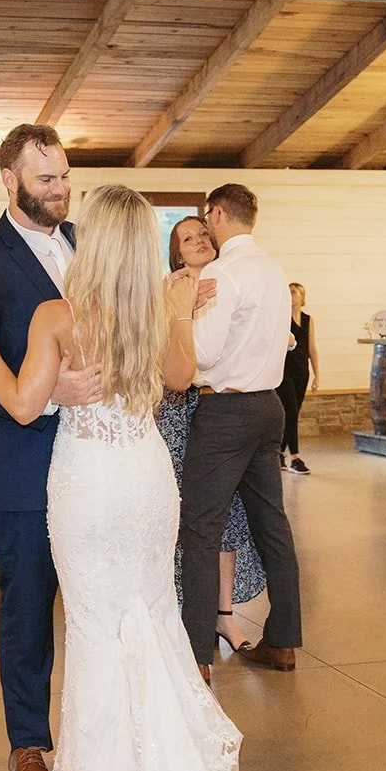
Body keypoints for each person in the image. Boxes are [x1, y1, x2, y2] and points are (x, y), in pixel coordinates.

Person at [0, 183, 270, 771]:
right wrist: (179, 306)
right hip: (148, 480)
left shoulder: (57, 315)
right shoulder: (156, 309)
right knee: (150, 611)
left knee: (95, 622)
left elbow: (24, 405)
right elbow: (182, 375)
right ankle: (172, 761)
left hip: (90, 483)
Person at [0, 123, 103, 771]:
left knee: (98, 600)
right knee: (30, 608)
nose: (60, 189)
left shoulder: (84, 248)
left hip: (96, 456)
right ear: (8, 179)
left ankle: (100, 733)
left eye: (65, 176)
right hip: (19, 462)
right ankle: (29, 745)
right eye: (46, 179)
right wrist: (46, 397)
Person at [178, 183, 302, 684]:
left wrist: (179, 314)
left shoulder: (222, 273)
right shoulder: (273, 271)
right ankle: (284, 640)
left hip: (225, 411)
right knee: (272, 523)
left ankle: (195, 656)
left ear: (218, 214)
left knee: (200, 529)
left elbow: (202, 355)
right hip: (269, 407)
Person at [159, 215, 265, 653]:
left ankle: (223, 616)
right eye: (188, 238)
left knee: (227, 517)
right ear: (176, 252)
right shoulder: (169, 291)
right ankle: (179, 615)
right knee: (181, 519)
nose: (200, 241)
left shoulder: (232, 281)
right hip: (178, 413)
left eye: (204, 233)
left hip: (222, 411)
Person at [278, 281, 319, 475]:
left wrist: (317, 374)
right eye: (289, 292)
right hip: (284, 370)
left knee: (293, 413)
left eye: (294, 292)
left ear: (302, 297)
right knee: (291, 410)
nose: (291, 295)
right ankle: (295, 457)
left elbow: (312, 348)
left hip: (302, 370)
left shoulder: (308, 319)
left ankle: (279, 453)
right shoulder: (281, 317)